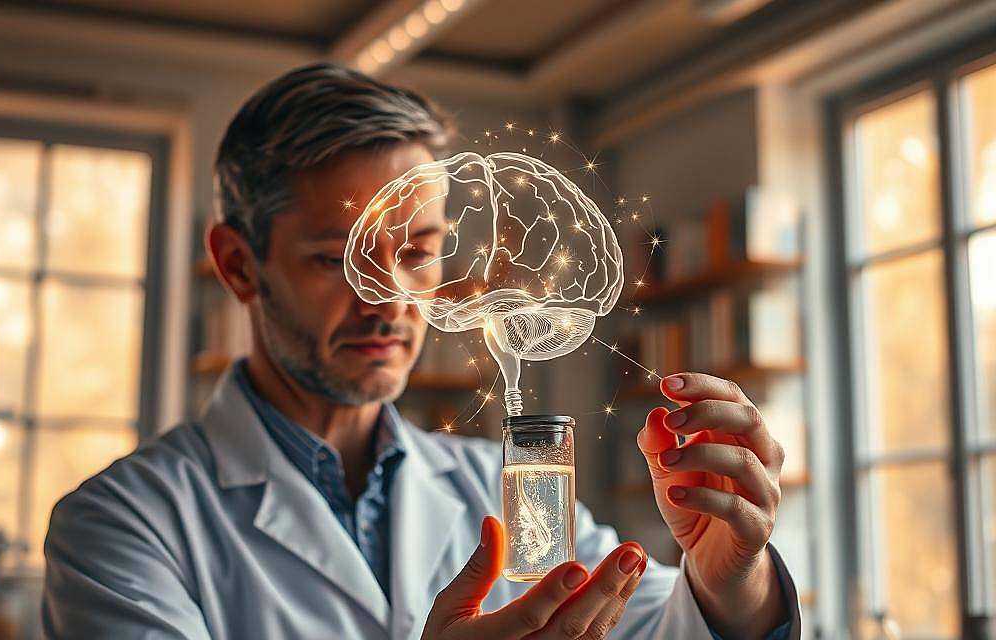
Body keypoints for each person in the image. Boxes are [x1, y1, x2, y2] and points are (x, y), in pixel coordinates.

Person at [42, 63, 800, 639]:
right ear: (239, 265)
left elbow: (650, 626)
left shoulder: (494, 487)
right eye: (337, 259)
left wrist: (727, 579)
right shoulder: (121, 525)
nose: (391, 297)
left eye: (421, 250)